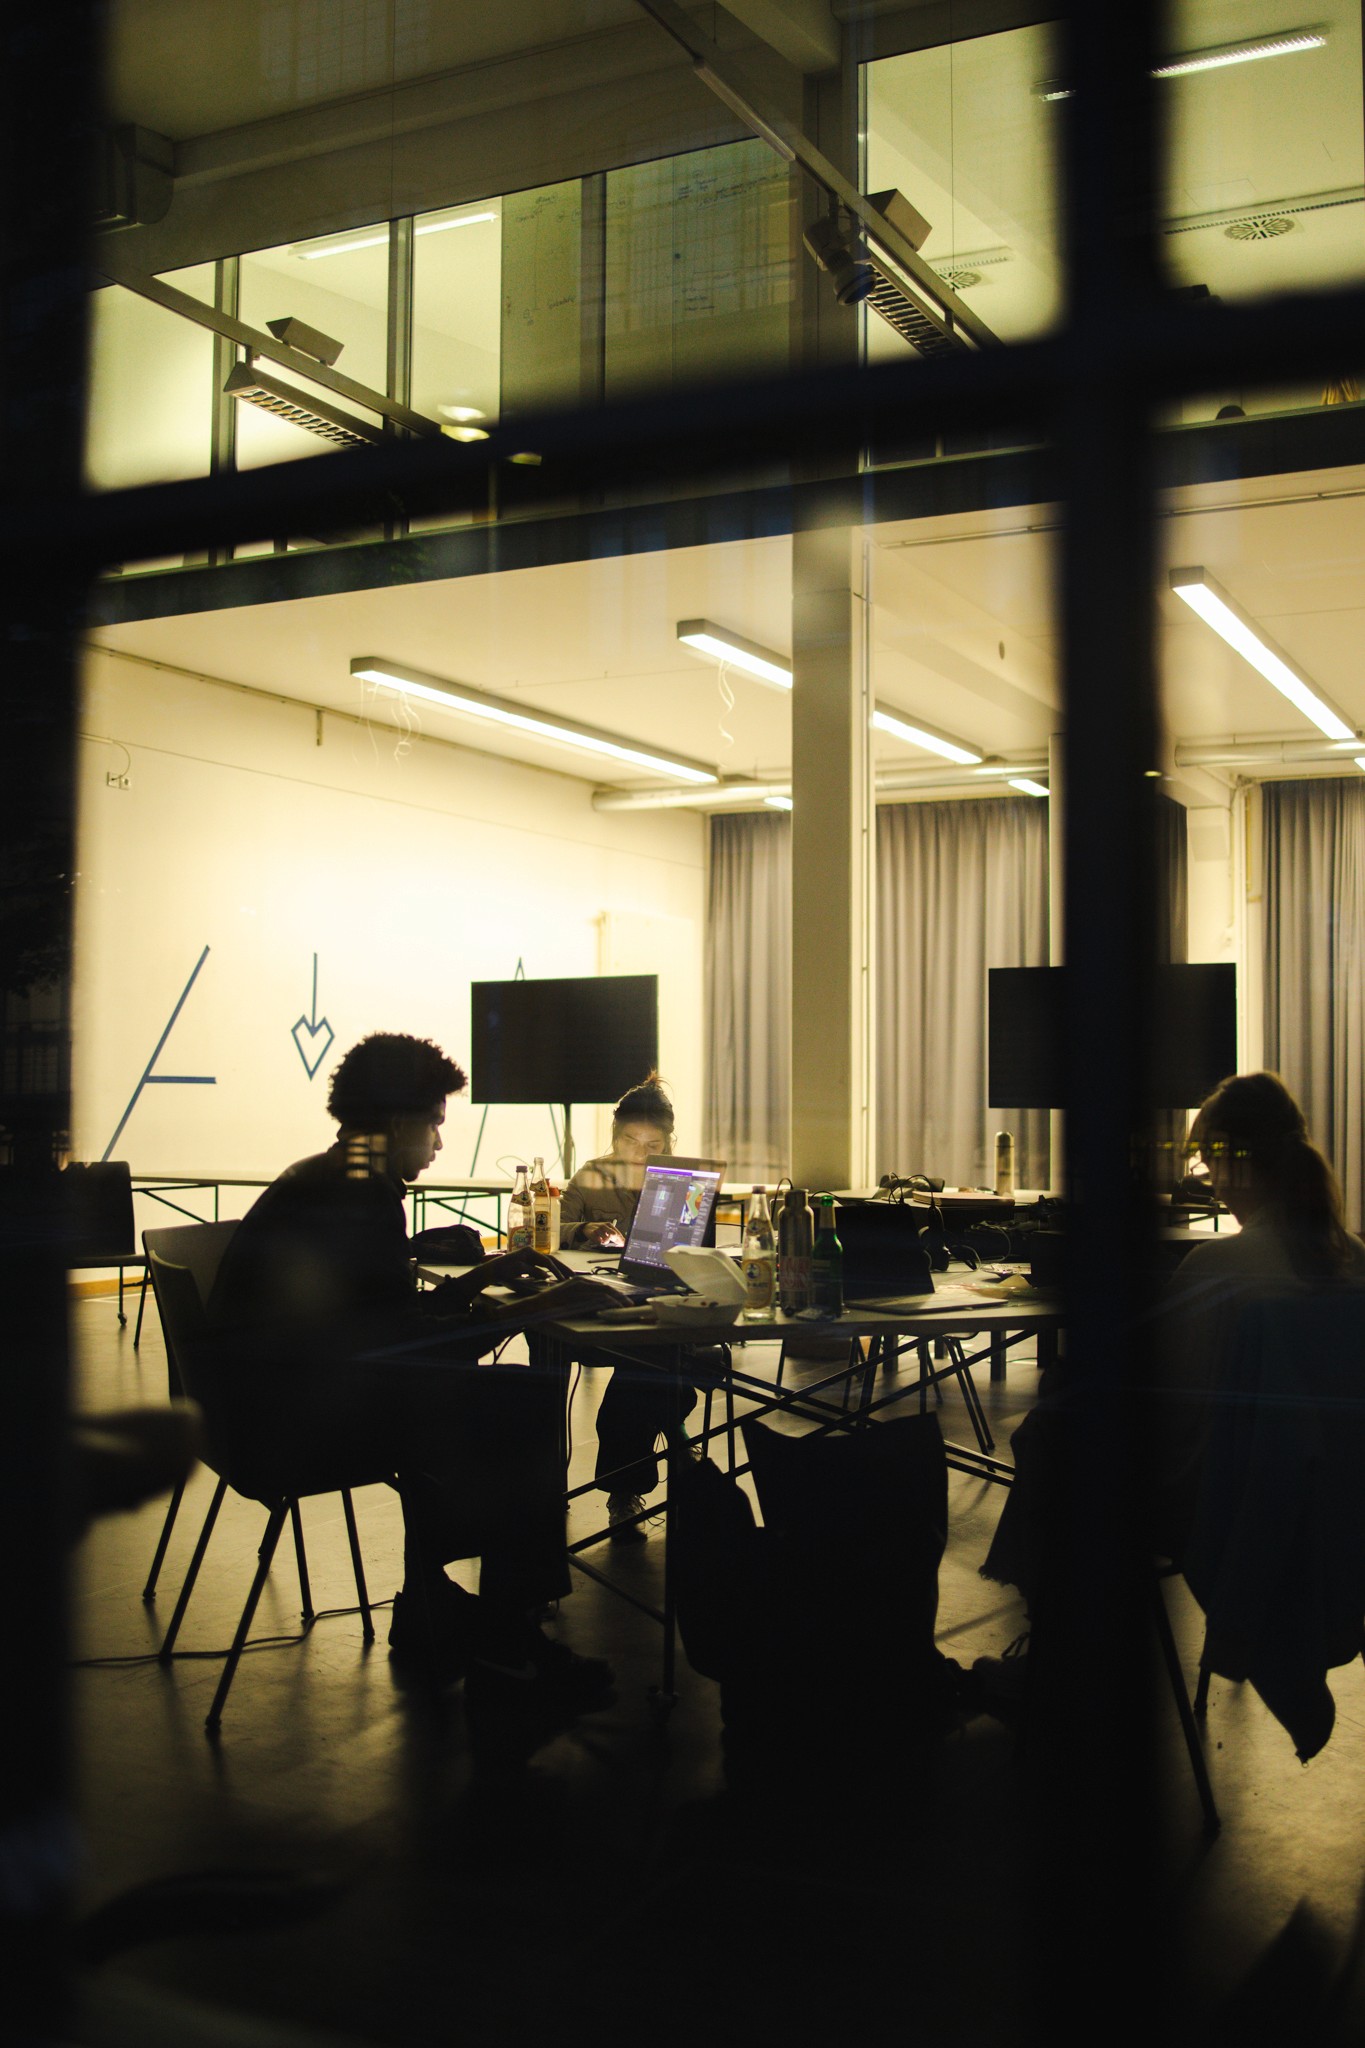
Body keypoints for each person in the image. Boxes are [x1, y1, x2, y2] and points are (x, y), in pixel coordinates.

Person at [207, 1032, 615, 1730]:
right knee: (516, 1406)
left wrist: (480, 1284)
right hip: (292, 1425)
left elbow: (375, 1321)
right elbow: (396, 1347)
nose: (437, 1143)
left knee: (474, 1405)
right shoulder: (357, 1198)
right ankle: (505, 1640)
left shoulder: (335, 1177)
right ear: (398, 1124)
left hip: (265, 1407)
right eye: (433, 1125)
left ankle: (434, 1610)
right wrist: (538, 1310)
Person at [977, 1071, 1365, 1727]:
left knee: (1050, 1434)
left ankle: (1055, 1659)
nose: (1207, 1180)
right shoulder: (1352, 1261)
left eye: (1209, 1163)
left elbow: (1156, 1407)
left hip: (1216, 1508)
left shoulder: (1223, 1268)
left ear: (1237, 1166)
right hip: (1325, 1516)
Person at [558, 1074, 701, 1540]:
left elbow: (695, 1240)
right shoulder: (592, 1175)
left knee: (656, 1356)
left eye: (652, 1145)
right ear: (614, 1134)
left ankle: (625, 1488)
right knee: (656, 1360)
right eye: (629, 1142)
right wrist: (583, 1231)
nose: (639, 1154)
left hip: (660, 1294)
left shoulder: (682, 1179)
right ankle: (672, 1438)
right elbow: (553, 1225)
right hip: (598, 1296)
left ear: (669, 1142)